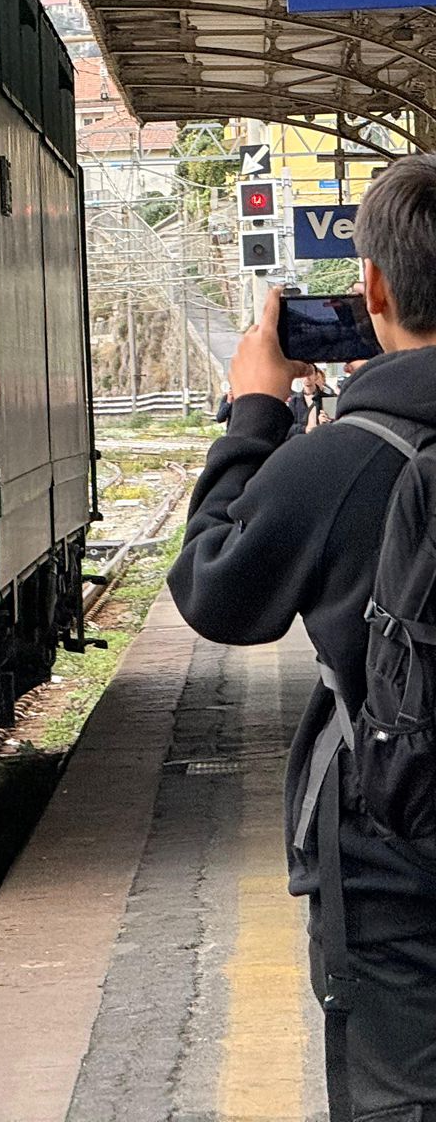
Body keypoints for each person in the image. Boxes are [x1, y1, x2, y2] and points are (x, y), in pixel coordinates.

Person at [168, 153, 436, 1119]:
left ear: (372, 289)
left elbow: (214, 593)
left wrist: (255, 415)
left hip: (392, 841)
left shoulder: (336, 462)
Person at [291, 367, 338, 432]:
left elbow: (335, 423)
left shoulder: (328, 399)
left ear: (316, 376)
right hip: (302, 440)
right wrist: (305, 429)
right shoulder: (294, 400)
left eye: (310, 373)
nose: (307, 376)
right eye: (304, 373)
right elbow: (289, 427)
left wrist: (324, 423)